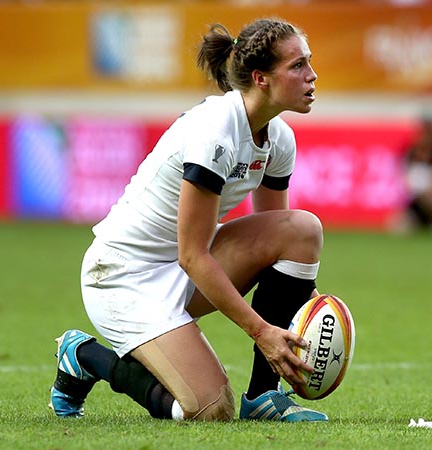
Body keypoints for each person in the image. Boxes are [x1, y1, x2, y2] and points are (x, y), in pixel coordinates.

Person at [49, 18, 328, 422]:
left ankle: (263, 397)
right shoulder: (215, 131)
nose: (312, 74)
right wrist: (261, 330)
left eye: (309, 62)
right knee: (209, 409)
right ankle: (85, 357)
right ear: (261, 78)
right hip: (122, 277)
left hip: (183, 266)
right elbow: (193, 256)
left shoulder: (279, 138)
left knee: (300, 230)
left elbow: (276, 238)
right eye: (298, 65)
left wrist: (306, 306)